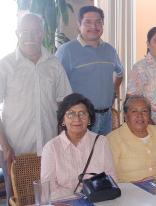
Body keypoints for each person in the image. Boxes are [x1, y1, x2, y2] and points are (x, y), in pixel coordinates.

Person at [0, 13, 72, 201]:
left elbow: (65, 106)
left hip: (49, 147)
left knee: (48, 197)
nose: (31, 37)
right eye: (25, 32)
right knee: (17, 198)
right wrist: (5, 146)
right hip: (15, 149)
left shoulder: (54, 65)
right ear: (17, 34)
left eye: (36, 32)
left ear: (43, 33)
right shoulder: (5, 66)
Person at [56, 6, 123, 136]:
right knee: (81, 156)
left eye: (98, 22)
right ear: (79, 24)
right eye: (88, 22)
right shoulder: (66, 51)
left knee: (102, 155)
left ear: (103, 24)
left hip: (106, 117)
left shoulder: (110, 50)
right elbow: (56, 85)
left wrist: (112, 91)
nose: (94, 26)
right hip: (80, 119)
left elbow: (120, 73)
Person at [41, 93, 116, 199]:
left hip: (98, 201)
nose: (77, 119)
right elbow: (47, 191)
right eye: (70, 114)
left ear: (89, 119)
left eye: (82, 113)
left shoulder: (101, 142)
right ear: (63, 120)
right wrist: (80, 193)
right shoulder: (51, 148)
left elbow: (111, 179)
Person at [108, 95, 156, 182]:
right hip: (129, 192)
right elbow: (109, 177)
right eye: (134, 111)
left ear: (149, 115)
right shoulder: (113, 139)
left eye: (144, 111)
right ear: (125, 115)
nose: (139, 115)